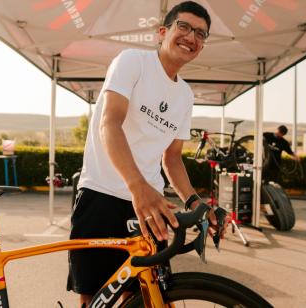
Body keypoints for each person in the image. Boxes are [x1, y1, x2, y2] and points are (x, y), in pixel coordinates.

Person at [68, 2, 223, 306]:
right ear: (162, 32)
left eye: (201, 34)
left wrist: (196, 202)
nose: (192, 37)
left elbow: (173, 157)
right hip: (102, 193)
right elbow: (109, 123)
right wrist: (138, 186)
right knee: (95, 299)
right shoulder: (133, 61)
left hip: (149, 205)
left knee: (150, 296)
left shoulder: (185, 94)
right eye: (184, 27)